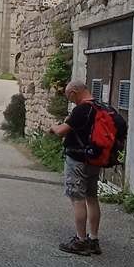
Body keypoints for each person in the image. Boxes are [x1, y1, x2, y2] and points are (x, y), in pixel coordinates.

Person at [49, 80, 108, 255]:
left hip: (77, 159)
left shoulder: (82, 109)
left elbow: (61, 131)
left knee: (77, 199)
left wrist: (53, 127)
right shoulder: (100, 107)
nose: (70, 100)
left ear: (74, 91)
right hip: (94, 160)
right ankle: (94, 239)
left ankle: (80, 241)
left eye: (69, 96)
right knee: (92, 197)